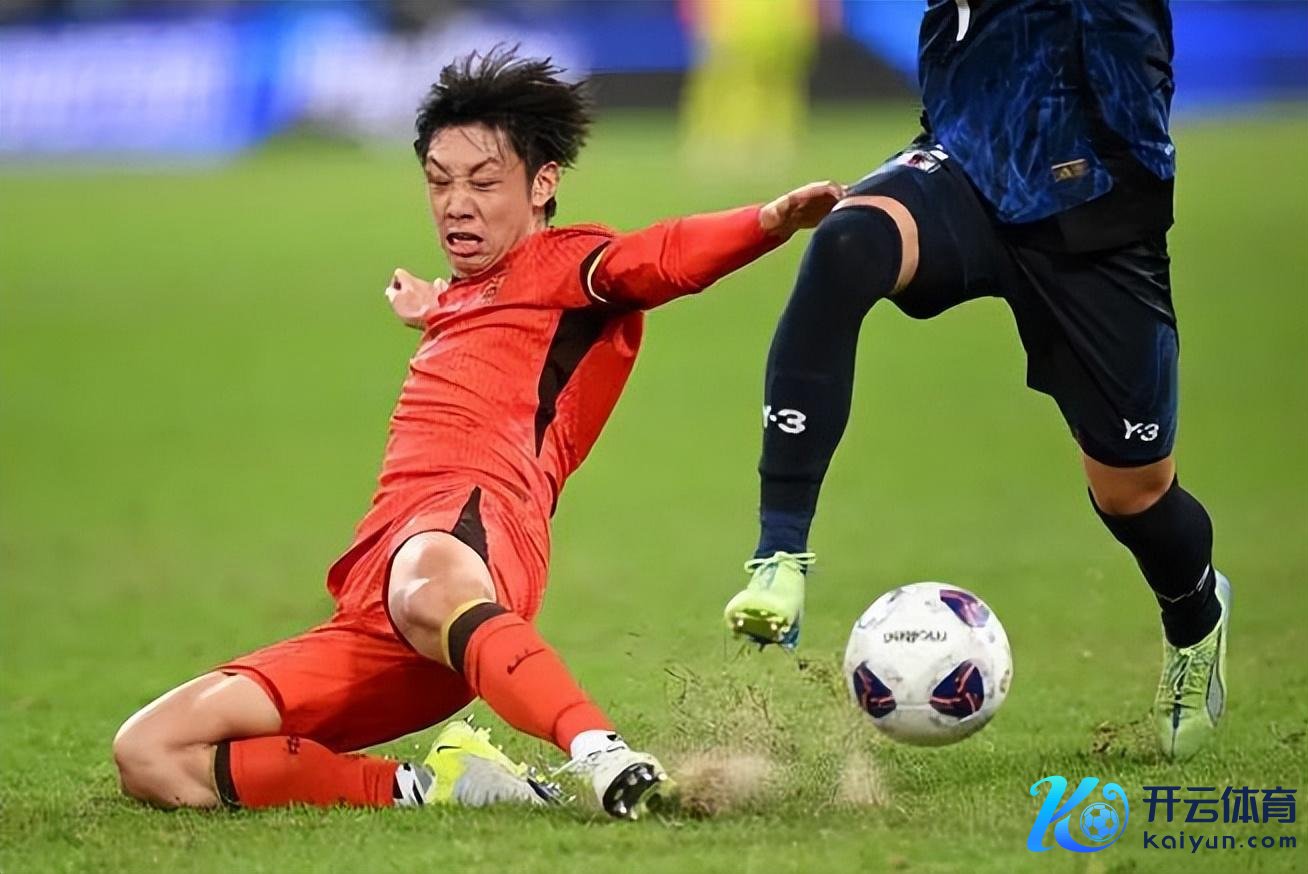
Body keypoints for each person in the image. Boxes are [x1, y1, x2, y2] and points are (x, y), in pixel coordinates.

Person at [112, 47, 843, 819]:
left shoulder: (567, 264)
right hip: (377, 599)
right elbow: (492, 324)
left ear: (543, 183)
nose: (456, 204)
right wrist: (436, 311)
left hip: (471, 530)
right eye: (439, 181)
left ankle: (605, 756)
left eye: (483, 182)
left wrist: (766, 223)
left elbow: (656, 258)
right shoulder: (466, 295)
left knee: (429, 579)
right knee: (150, 753)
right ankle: (438, 787)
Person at [723, 0, 1230, 761]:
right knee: (847, 243)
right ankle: (779, 555)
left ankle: (1196, 617)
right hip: (965, 160)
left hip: (1102, 199)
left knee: (1135, 494)